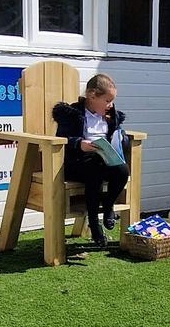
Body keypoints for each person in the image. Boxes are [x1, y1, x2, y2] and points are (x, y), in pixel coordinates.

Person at [52, 73, 129, 246]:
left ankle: (108, 205)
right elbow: (62, 139)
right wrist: (80, 144)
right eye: (107, 100)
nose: (110, 105)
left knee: (122, 169)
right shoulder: (72, 113)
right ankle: (94, 223)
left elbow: (116, 135)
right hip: (77, 163)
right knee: (95, 166)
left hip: (104, 160)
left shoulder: (110, 116)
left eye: (112, 101)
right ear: (92, 96)